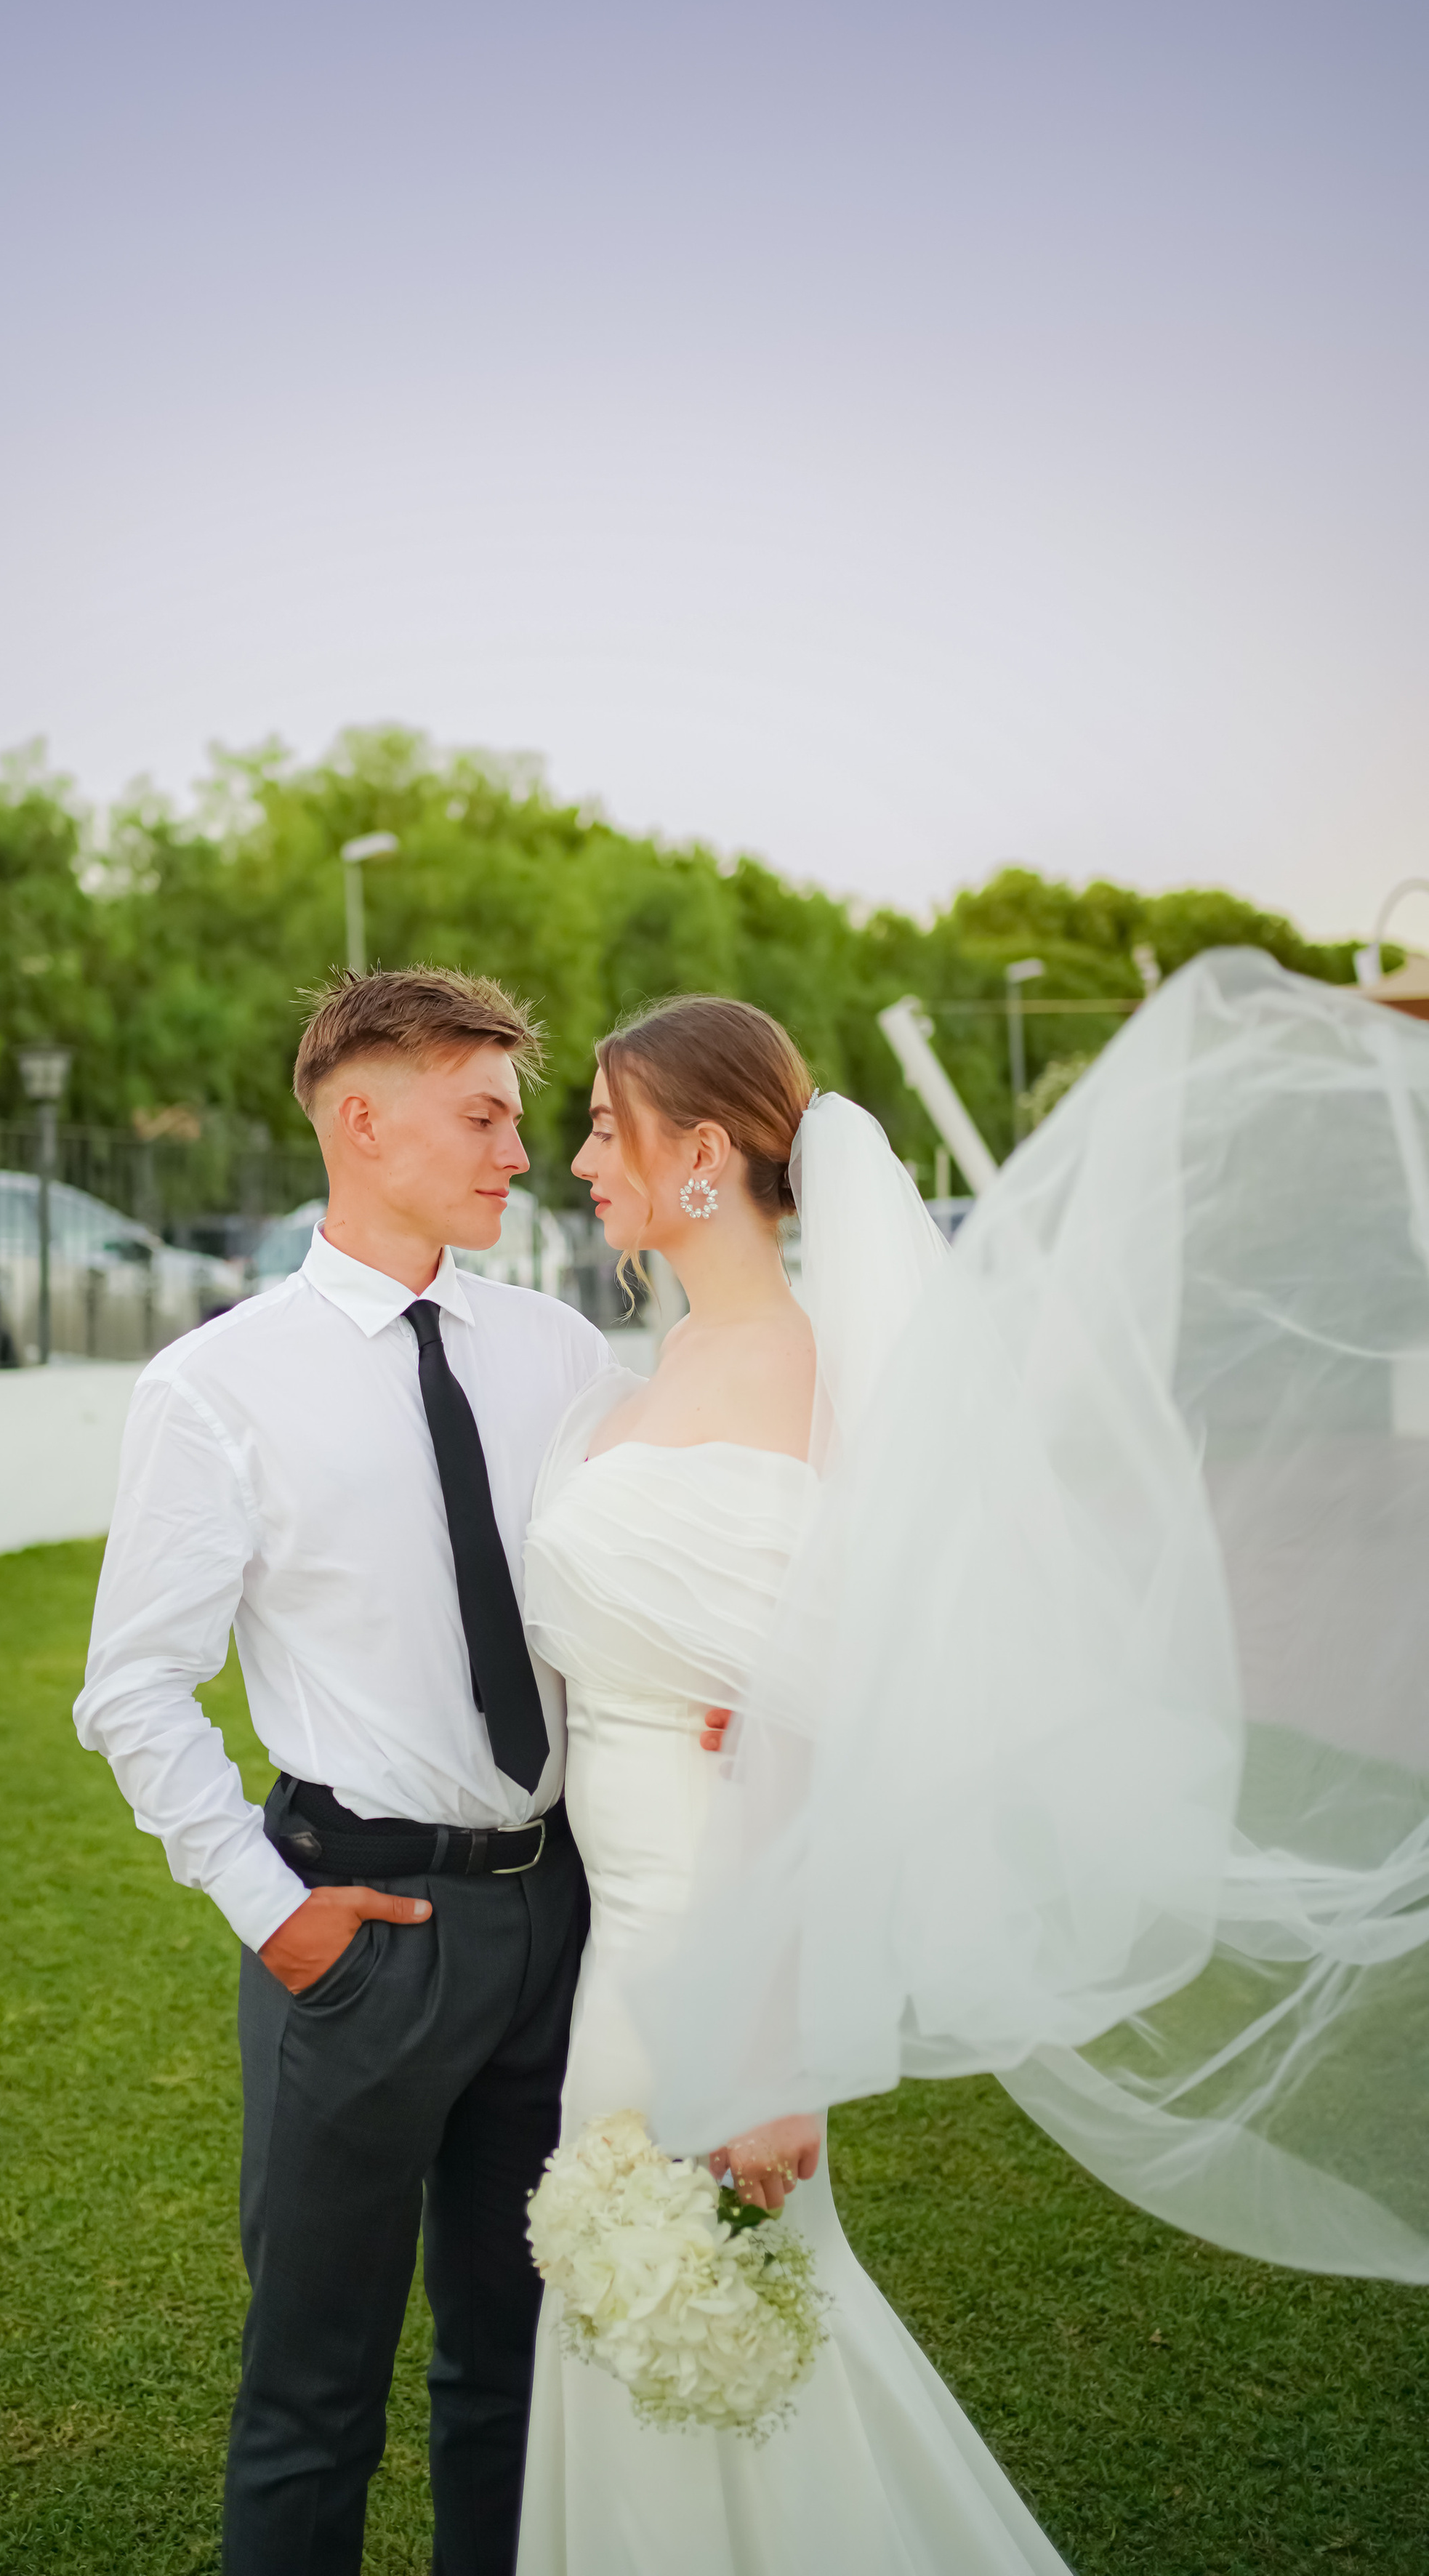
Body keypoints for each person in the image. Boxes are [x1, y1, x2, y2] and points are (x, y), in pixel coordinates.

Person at [515, 995, 1074, 2575]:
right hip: (617, 1928)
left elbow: (821, 1721)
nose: (574, 1159)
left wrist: (773, 2051)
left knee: (717, 2317)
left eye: (604, 1128)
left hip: (710, 1947)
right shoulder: (682, 1351)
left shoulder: (805, 1374)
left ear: (701, 1154)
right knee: (651, 2324)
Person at [74, 965, 614, 2576]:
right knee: (312, 2396)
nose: (517, 1154)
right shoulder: (215, 1386)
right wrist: (274, 1913)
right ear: (360, 1120)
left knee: (514, 2377)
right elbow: (133, 1691)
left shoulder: (563, 1355)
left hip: (557, 1923)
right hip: (354, 1933)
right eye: (485, 1116)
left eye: (518, 1123)